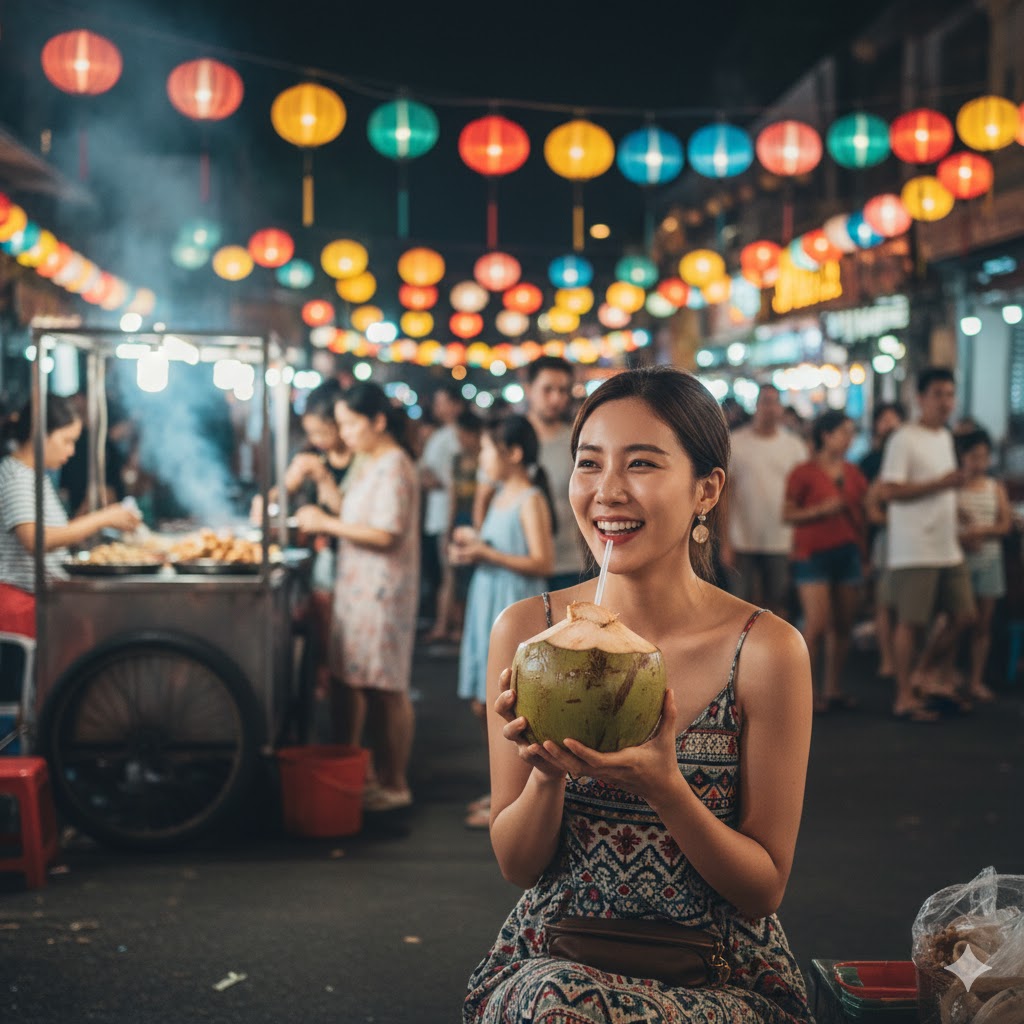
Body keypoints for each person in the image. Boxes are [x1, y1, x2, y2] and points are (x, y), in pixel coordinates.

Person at [465, 367, 813, 1023]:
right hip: (553, 959)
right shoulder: (528, 633)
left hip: (721, 971)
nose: (607, 492)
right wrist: (544, 778)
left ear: (706, 489)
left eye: (643, 465)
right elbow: (516, 864)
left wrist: (665, 787)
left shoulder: (765, 650)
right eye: (588, 464)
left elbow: (762, 889)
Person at [294, 383, 420, 812]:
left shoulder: (396, 465)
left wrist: (323, 524)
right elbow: (350, 510)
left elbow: (387, 533)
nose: (343, 433)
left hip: (384, 588)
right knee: (357, 679)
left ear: (378, 422)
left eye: (350, 423)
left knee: (387, 687)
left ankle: (396, 782)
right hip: (358, 585)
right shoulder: (370, 461)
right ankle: (367, 774)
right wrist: (322, 481)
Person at [453, 415, 555, 830]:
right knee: (484, 701)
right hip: (487, 601)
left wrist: (485, 554)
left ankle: (516, 797)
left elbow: (542, 561)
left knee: (514, 704)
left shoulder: (530, 498)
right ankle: (502, 788)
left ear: (513, 454)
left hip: (514, 604)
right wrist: (473, 548)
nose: (482, 458)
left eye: (489, 450)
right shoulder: (496, 495)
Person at [254, 380, 354, 741]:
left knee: (347, 660)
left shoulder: (357, 460)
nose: (318, 440)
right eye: (311, 432)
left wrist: (325, 478)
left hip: (354, 564)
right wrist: (285, 487)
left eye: (323, 431)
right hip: (315, 563)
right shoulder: (307, 455)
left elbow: (350, 513)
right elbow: (262, 510)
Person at [876, 367, 975, 722]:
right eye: (938, 394)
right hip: (913, 546)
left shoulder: (946, 437)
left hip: (947, 545)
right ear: (920, 398)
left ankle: (923, 671)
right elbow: (887, 491)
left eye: (950, 394)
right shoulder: (904, 438)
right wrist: (940, 484)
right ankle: (904, 696)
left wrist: (958, 511)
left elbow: (944, 488)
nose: (945, 402)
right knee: (911, 622)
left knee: (964, 615)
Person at [0, 395, 140, 636]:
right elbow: (36, 540)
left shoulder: (35, 475)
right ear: (39, 434)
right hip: (19, 605)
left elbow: (57, 534)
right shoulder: (16, 476)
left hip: (37, 601)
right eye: (67, 441)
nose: (72, 450)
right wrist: (102, 518)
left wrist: (91, 513)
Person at [475, 356, 586, 590]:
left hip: (568, 563)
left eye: (563, 391)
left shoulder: (578, 441)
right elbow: (483, 498)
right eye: (547, 390)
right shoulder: (507, 439)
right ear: (529, 389)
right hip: (516, 568)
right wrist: (482, 547)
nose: (556, 398)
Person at [783, 410, 868, 713]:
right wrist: (820, 511)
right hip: (812, 553)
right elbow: (788, 514)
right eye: (843, 432)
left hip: (848, 551)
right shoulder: (803, 472)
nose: (849, 438)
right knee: (816, 623)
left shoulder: (853, 472)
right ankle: (804, 692)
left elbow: (863, 514)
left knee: (843, 624)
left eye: (851, 432)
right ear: (826, 435)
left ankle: (832, 689)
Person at [720, 383, 808, 619]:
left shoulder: (794, 446)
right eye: (765, 402)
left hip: (782, 539)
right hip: (742, 539)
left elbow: (802, 495)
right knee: (740, 606)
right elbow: (725, 493)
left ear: (781, 408)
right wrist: (725, 540)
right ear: (757, 406)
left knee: (777, 605)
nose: (770, 408)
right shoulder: (736, 442)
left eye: (774, 402)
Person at [955, 428, 1011, 704]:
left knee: (983, 625)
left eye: (984, 456)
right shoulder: (954, 489)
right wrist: (965, 538)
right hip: (960, 561)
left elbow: (1005, 524)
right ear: (962, 457)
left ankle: (975, 680)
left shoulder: (995, 487)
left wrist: (981, 533)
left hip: (990, 561)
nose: (979, 462)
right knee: (957, 621)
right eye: (974, 456)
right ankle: (950, 676)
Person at [859, 402, 906, 680]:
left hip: (911, 541)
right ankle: (887, 658)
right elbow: (870, 509)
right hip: (885, 541)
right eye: (884, 420)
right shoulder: (872, 463)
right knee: (885, 601)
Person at [420, 384, 467, 644]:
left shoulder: (453, 437)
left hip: (447, 514)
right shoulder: (443, 435)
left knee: (451, 573)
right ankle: (449, 623)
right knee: (449, 573)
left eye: (441, 402)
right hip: (441, 513)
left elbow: (444, 479)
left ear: (455, 405)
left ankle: (448, 624)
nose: (437, 408)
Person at [447, 409, 484, 646]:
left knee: (474, 575)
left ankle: (468, 625)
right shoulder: (457, 459)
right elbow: (452, 492)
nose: (461, 440)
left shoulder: (485, 459)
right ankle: (459, 625)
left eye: (463, 435)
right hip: (461, 517)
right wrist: (450, 524)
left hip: (479, 519)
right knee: (459, 573)